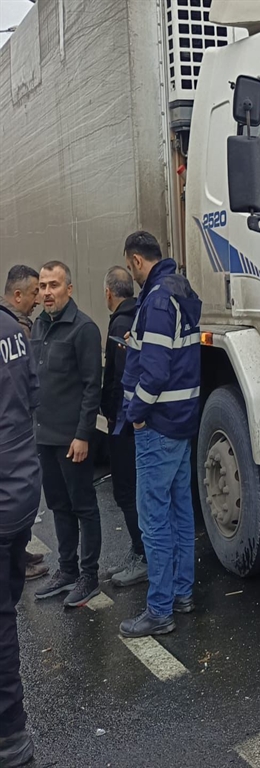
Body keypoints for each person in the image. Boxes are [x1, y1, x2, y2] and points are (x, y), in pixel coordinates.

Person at [118, 232, 202, 638]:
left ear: (136, 261)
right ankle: (183, 594)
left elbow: (154, 371)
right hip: (182, 419)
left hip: (157, 424)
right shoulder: (181, 290)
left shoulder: (155, 300)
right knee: (180, 511)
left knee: (154, 520)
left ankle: (159, 610)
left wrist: (135, 414)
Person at [31, 261, 104, 608]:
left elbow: (92, 388)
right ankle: (67, 570)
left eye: (54, 285)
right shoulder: (37, 328)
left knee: (83, 507)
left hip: (71, 439)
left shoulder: (83, 329)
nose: (47, 292)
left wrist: (83, 434)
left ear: (69, 289)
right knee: (59, 506)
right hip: (44, 437)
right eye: (43, 286)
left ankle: (89, 575)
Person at [0, 298, 41, 767]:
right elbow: (32, 394)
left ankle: (10, 735)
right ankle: (11, 735)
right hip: (20, 490)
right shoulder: (11, 328)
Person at [101, 266, 147, 587]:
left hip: (123, 425)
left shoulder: (119, 322)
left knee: (125, 492)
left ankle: (142, 555)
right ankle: (139, 550)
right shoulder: (139, 314)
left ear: (108, 293)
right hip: (139, 421)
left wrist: (113, 416)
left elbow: (118, 380)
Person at [1, 265, 48, 582]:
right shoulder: (17, 332)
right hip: (19, 462)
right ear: (17, 295)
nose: (39, 299)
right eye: (34, 293)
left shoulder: (18, 328)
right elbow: (33, 392)